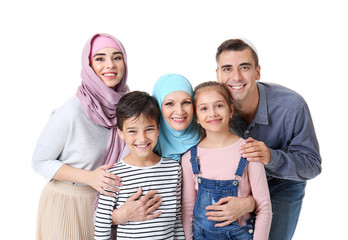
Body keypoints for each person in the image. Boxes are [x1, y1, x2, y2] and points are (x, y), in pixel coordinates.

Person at [215, 38, 322, 239]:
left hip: (281, 185)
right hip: (237, 184)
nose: (236, 77)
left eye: (244, 67)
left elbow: (312, 165)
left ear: (257, 71)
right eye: (227, 69)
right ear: (218, 74)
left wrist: (270, 157)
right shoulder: (212, 106)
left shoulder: (292, 106)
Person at [32, 33, 129, 240]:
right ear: (89, 66)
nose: (110, 65)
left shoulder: (129, 106)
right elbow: (39, 161)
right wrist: (90, 177)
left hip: (106, 206)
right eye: (100, 58)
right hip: (68, 204)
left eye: (117, 57)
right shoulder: (73, 110)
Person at [181, 81, 272, 240]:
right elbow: (188, 210)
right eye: (204, 108)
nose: (213, 113)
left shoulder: (248, 150)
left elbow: (264, 208)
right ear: (196, 117)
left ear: (230, 110)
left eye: (219, 106)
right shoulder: (189, 158)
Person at [110, 73, 201, 225]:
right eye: (169, 104)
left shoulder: (207, 135)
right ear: (158, 107)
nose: (179, 111)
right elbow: (108, 210)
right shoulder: (142, 146)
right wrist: (120, 216)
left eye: (186, 102)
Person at [94, 91, 185, 240]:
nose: (142, 139)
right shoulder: (113, 175)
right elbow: (102, 222)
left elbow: (176, 221)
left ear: (158, 129)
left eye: (149, 129)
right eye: (132, 131)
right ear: (121, 133)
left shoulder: (174, 169)